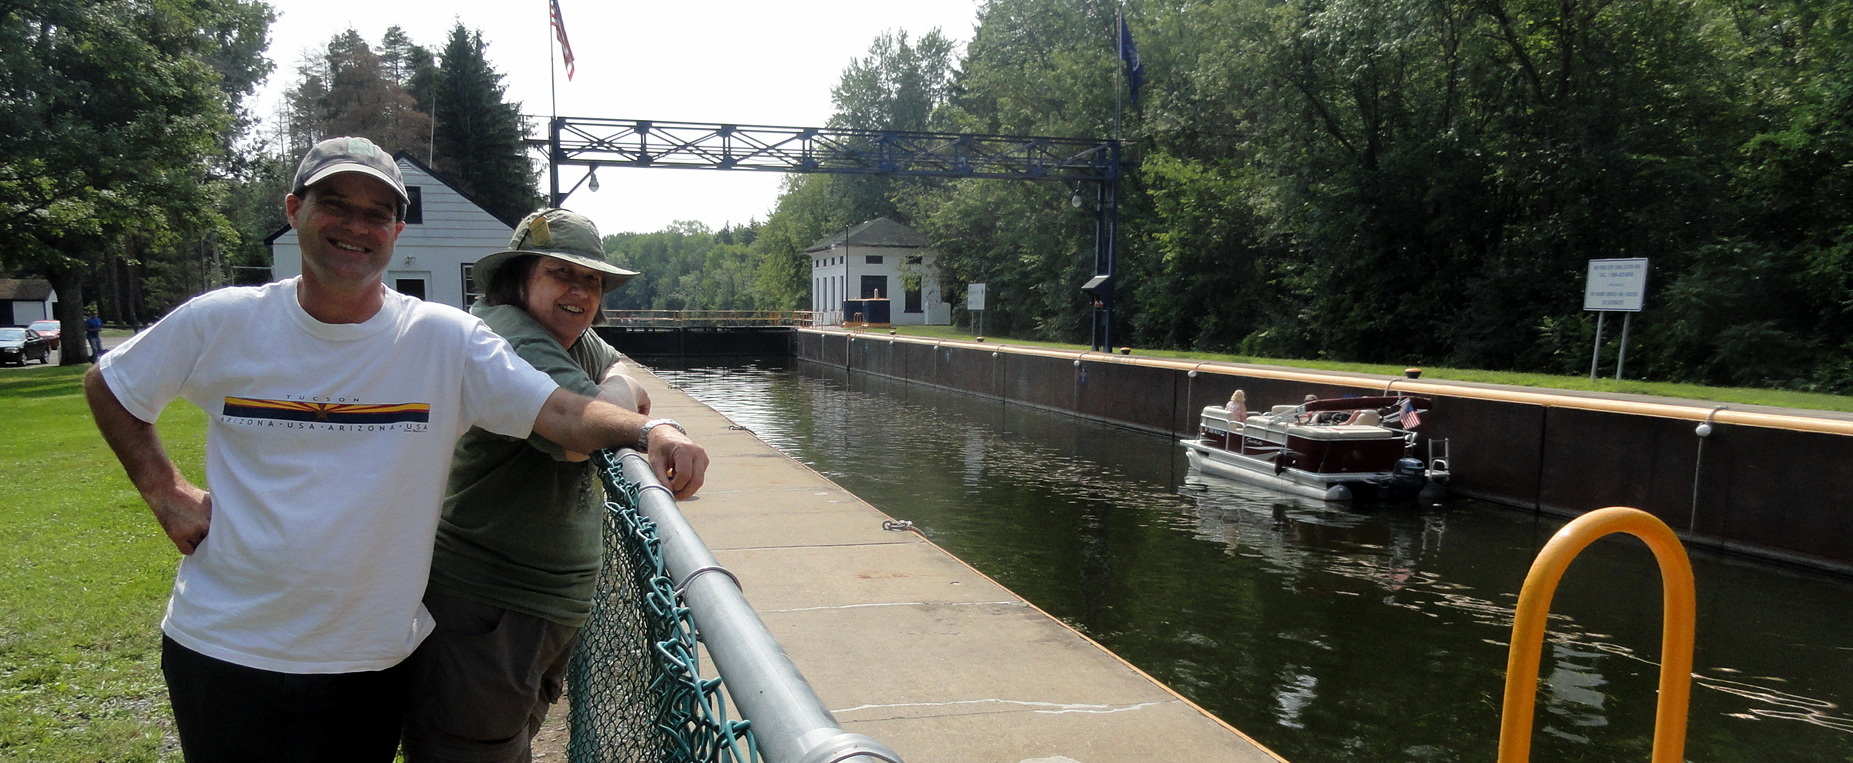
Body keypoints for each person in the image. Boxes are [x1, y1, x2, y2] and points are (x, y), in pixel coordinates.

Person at [82, 136, 708, 763]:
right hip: (222, 647)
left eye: (377, 213)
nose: (356, 227)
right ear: (295, 210)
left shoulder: (445, 341)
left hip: (368, 660)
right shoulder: (222, 320)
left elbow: (565, 413)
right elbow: (111, 383)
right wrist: (165, 491)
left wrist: (652, 431)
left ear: (396, 230)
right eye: (336, 204)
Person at [400, 208, 653, 761]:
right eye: (561, 273)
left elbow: (620, 367)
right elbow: (579, 437)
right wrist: (637, 416)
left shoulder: (566, 336)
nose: (580, 292)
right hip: (489, 603)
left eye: (592, 280)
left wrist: (614, 385)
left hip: (537, 606)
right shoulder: (510, 336)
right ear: (519, 279)